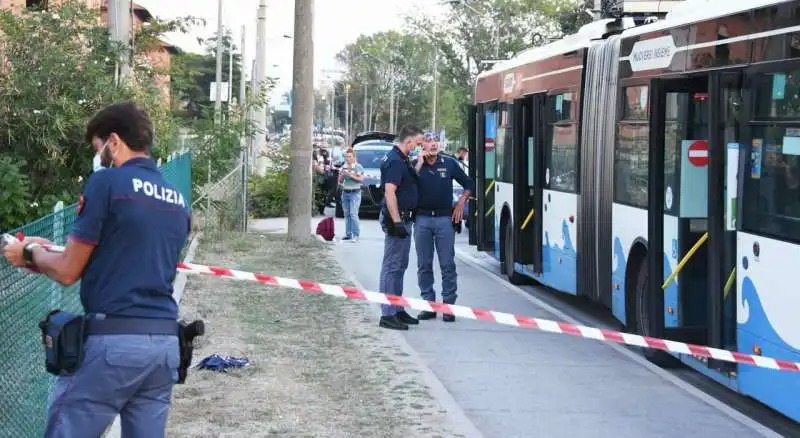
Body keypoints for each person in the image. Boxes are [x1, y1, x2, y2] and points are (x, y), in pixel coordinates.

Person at [2, 101, 191, 437]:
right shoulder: (176, 199)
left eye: (97, 148)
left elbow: (68, 270)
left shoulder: (107, 184)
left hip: (114, 346)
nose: (98, 156)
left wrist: (29, 253)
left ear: (113, 142)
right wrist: (48, 251)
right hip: (164, 346)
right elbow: (126, 253)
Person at [412, 132, 474, 322]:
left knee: (447, 263)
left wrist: (462, 201)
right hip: (422, 219)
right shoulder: (415, 165)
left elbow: (469, 183)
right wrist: (419, 163)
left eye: (435, 141)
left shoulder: (449, 163)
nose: (433, 144)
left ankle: (448, 305)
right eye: (429, 141)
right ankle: (429, 304)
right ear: (422, 146)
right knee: (424, 264)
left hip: (444, 219)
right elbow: (407, 183)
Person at [378, 124, 424, 330]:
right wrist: (397, 222)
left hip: (405, 219)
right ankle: (388, 314)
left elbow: (406, 182)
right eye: (418, 143)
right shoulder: (396, 161)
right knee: (392, 267)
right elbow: (390, 192)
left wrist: (419, 164)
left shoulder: (401, 159)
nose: (419, 146)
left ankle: (397, 309)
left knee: (400, 266)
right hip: (397, 220)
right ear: (408, 141)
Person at [338, 147, 365, 242]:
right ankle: (348, 234)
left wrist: (350, 175)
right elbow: (340, 181)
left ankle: (356, 235)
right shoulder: (343, 167)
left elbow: (361, 179)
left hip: (355, 193)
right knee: (347, 214)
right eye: (346, 157)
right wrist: (342, 175)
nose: (347, 158)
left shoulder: (358, 167)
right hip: (345, 192)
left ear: (354, 157)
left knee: (353, 214)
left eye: (349, 156)